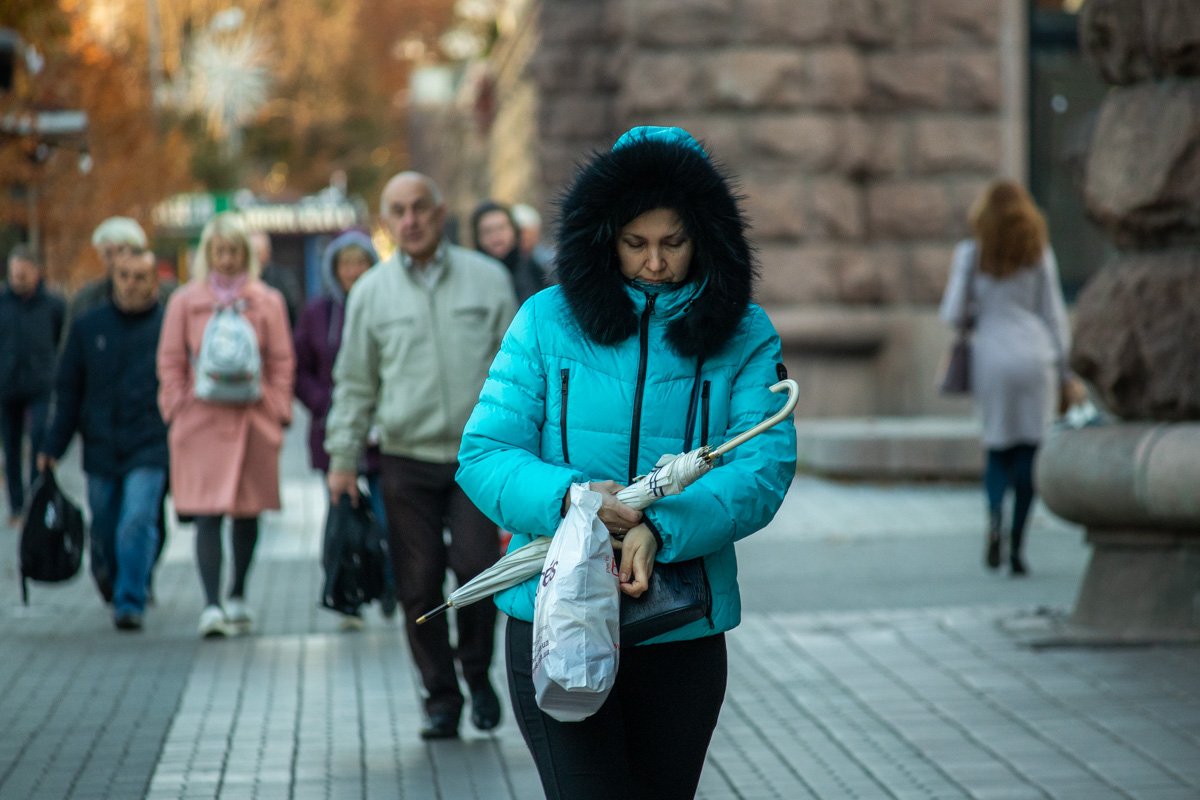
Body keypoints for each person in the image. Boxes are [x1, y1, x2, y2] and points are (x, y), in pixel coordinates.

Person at [456, 126, 798, 800]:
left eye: (673, 243)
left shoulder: (745, 331)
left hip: (679, 628)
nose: (654, 263)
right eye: (635, 243)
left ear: (705, 236)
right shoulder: (544, 320)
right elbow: (485, 452)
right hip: (554, 620)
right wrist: (571, 499)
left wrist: (661, 528)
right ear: (605, 236)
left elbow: (763, 465)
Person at [324, 171, 516, 740]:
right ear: (386, 221)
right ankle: (440, 697)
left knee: (480, 570)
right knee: (418, 582)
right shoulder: (371, 294)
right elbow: (354, 382)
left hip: (477, 459)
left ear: (440, 212)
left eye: (420, 209)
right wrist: (342, 458)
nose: (410, 221)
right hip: (404, 460)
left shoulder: (490, 280)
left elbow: (519, 372)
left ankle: (477, 673)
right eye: (398, 211)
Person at [157, 212, 294, 637]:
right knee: (207, 513)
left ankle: (237, 593)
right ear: (208, 254)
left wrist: (275, 409)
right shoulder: (185, 301)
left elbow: (281, 360)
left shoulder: (266, 300)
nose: (229, 259)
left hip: (253, 421)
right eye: (221, 251)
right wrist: (177, 405)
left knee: (247, 514)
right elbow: (170, 358)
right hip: (200, 423)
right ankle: (212, 603)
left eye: (236, 251)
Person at [939, 180, 1086, 576]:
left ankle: (993, 520)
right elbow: (1053, 313)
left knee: (997, 447)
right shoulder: (1038, 252)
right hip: (1035, 356)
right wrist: (1067, 369)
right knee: (1029, 452)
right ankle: (1018, 548)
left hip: (992, 354)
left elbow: (953, 313)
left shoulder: (972, 253)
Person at [38, 248, 168, 631]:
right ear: (113, 279)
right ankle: (114, 579)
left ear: (153, 282)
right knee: (106, 523)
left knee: (138, 520)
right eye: (125, 276)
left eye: (140, 276)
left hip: (150, 441)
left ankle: (131, 599)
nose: (131, 284)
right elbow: (69, 392)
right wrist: (51, 447)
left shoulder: (166, 327)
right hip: (101, 444)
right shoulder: (88, 327)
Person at [293, 230, 396, 628]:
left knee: (389, 520)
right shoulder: (317, 313)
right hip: (334, 434)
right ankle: (348, 595)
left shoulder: (388, 306)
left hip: (385, 435)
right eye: (345, 264)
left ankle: (390, 586)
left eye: (361, 262)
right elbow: (300, 371)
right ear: (333, 270)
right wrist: (326, 404)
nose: (354, 271)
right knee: (343, 521)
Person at [0, 245, 65, 528]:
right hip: (6, 385)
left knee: (39, 438)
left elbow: (59, 334)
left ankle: (37, 501)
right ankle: (16, 505)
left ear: (36, 273)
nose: (19, 280)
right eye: (15, 275)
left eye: (24, 274)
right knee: (11, 448)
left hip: (40, 383)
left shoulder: (53, 304)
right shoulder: (2, 303)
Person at [65, 216, 175, 335]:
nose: (115, 259)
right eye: (108, 253)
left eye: (122, 250)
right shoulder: (86, 300)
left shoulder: (171, 297)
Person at [471, 200, 547, 303]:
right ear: (477, 237)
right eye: (487, 231)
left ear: (514, 231)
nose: (495, 236)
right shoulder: (470, 277)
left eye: (501, 228)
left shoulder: (535, 271)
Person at [249, 230, 303, 329]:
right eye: (251, 253)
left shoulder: (282, 280)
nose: (254, 258)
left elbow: (293, 316)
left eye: (258, 253)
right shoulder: (240, 281)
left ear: (268, 253)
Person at [511, 202, 556, 281]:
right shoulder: (509, 262)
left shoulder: (548, 260)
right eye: (520, 233)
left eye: (527, 232)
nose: (524, 237)